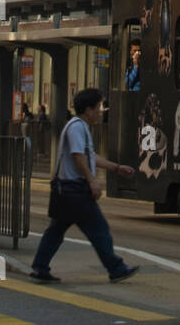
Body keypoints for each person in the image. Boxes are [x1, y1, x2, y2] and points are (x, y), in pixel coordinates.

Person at [30, 88, 138, 284]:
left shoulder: (79, 127)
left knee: (56, 230)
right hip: (75, 191)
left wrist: (116, 168)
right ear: (88, 110)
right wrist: (92, 181)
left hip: (66, 191)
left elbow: (89, 156)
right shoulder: (77, 127)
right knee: (99, 229)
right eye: (99, 107)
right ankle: (116, 268)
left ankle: (40, 266)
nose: (101, 111)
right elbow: (78, 157)